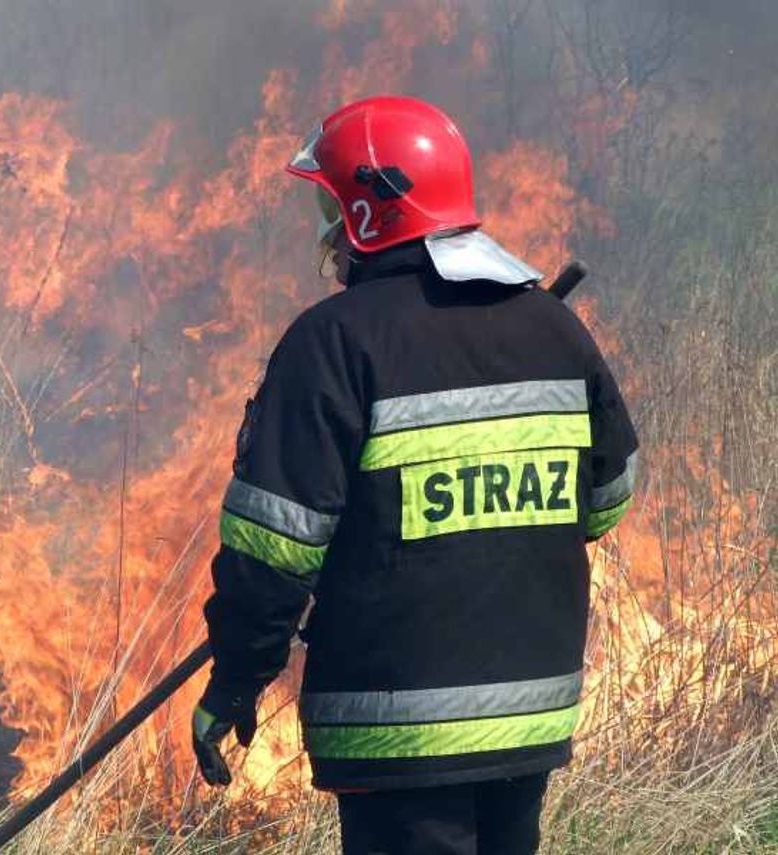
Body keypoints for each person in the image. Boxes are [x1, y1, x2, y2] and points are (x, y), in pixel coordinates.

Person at [190, 96, 638, 855]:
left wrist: (236, 676)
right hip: (527, 715)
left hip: (399, 729)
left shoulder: (334, 341)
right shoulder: (554, 329)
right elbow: (606, 499)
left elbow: (274, 548)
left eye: (335, 210)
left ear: (370, 214)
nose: (328, 235)